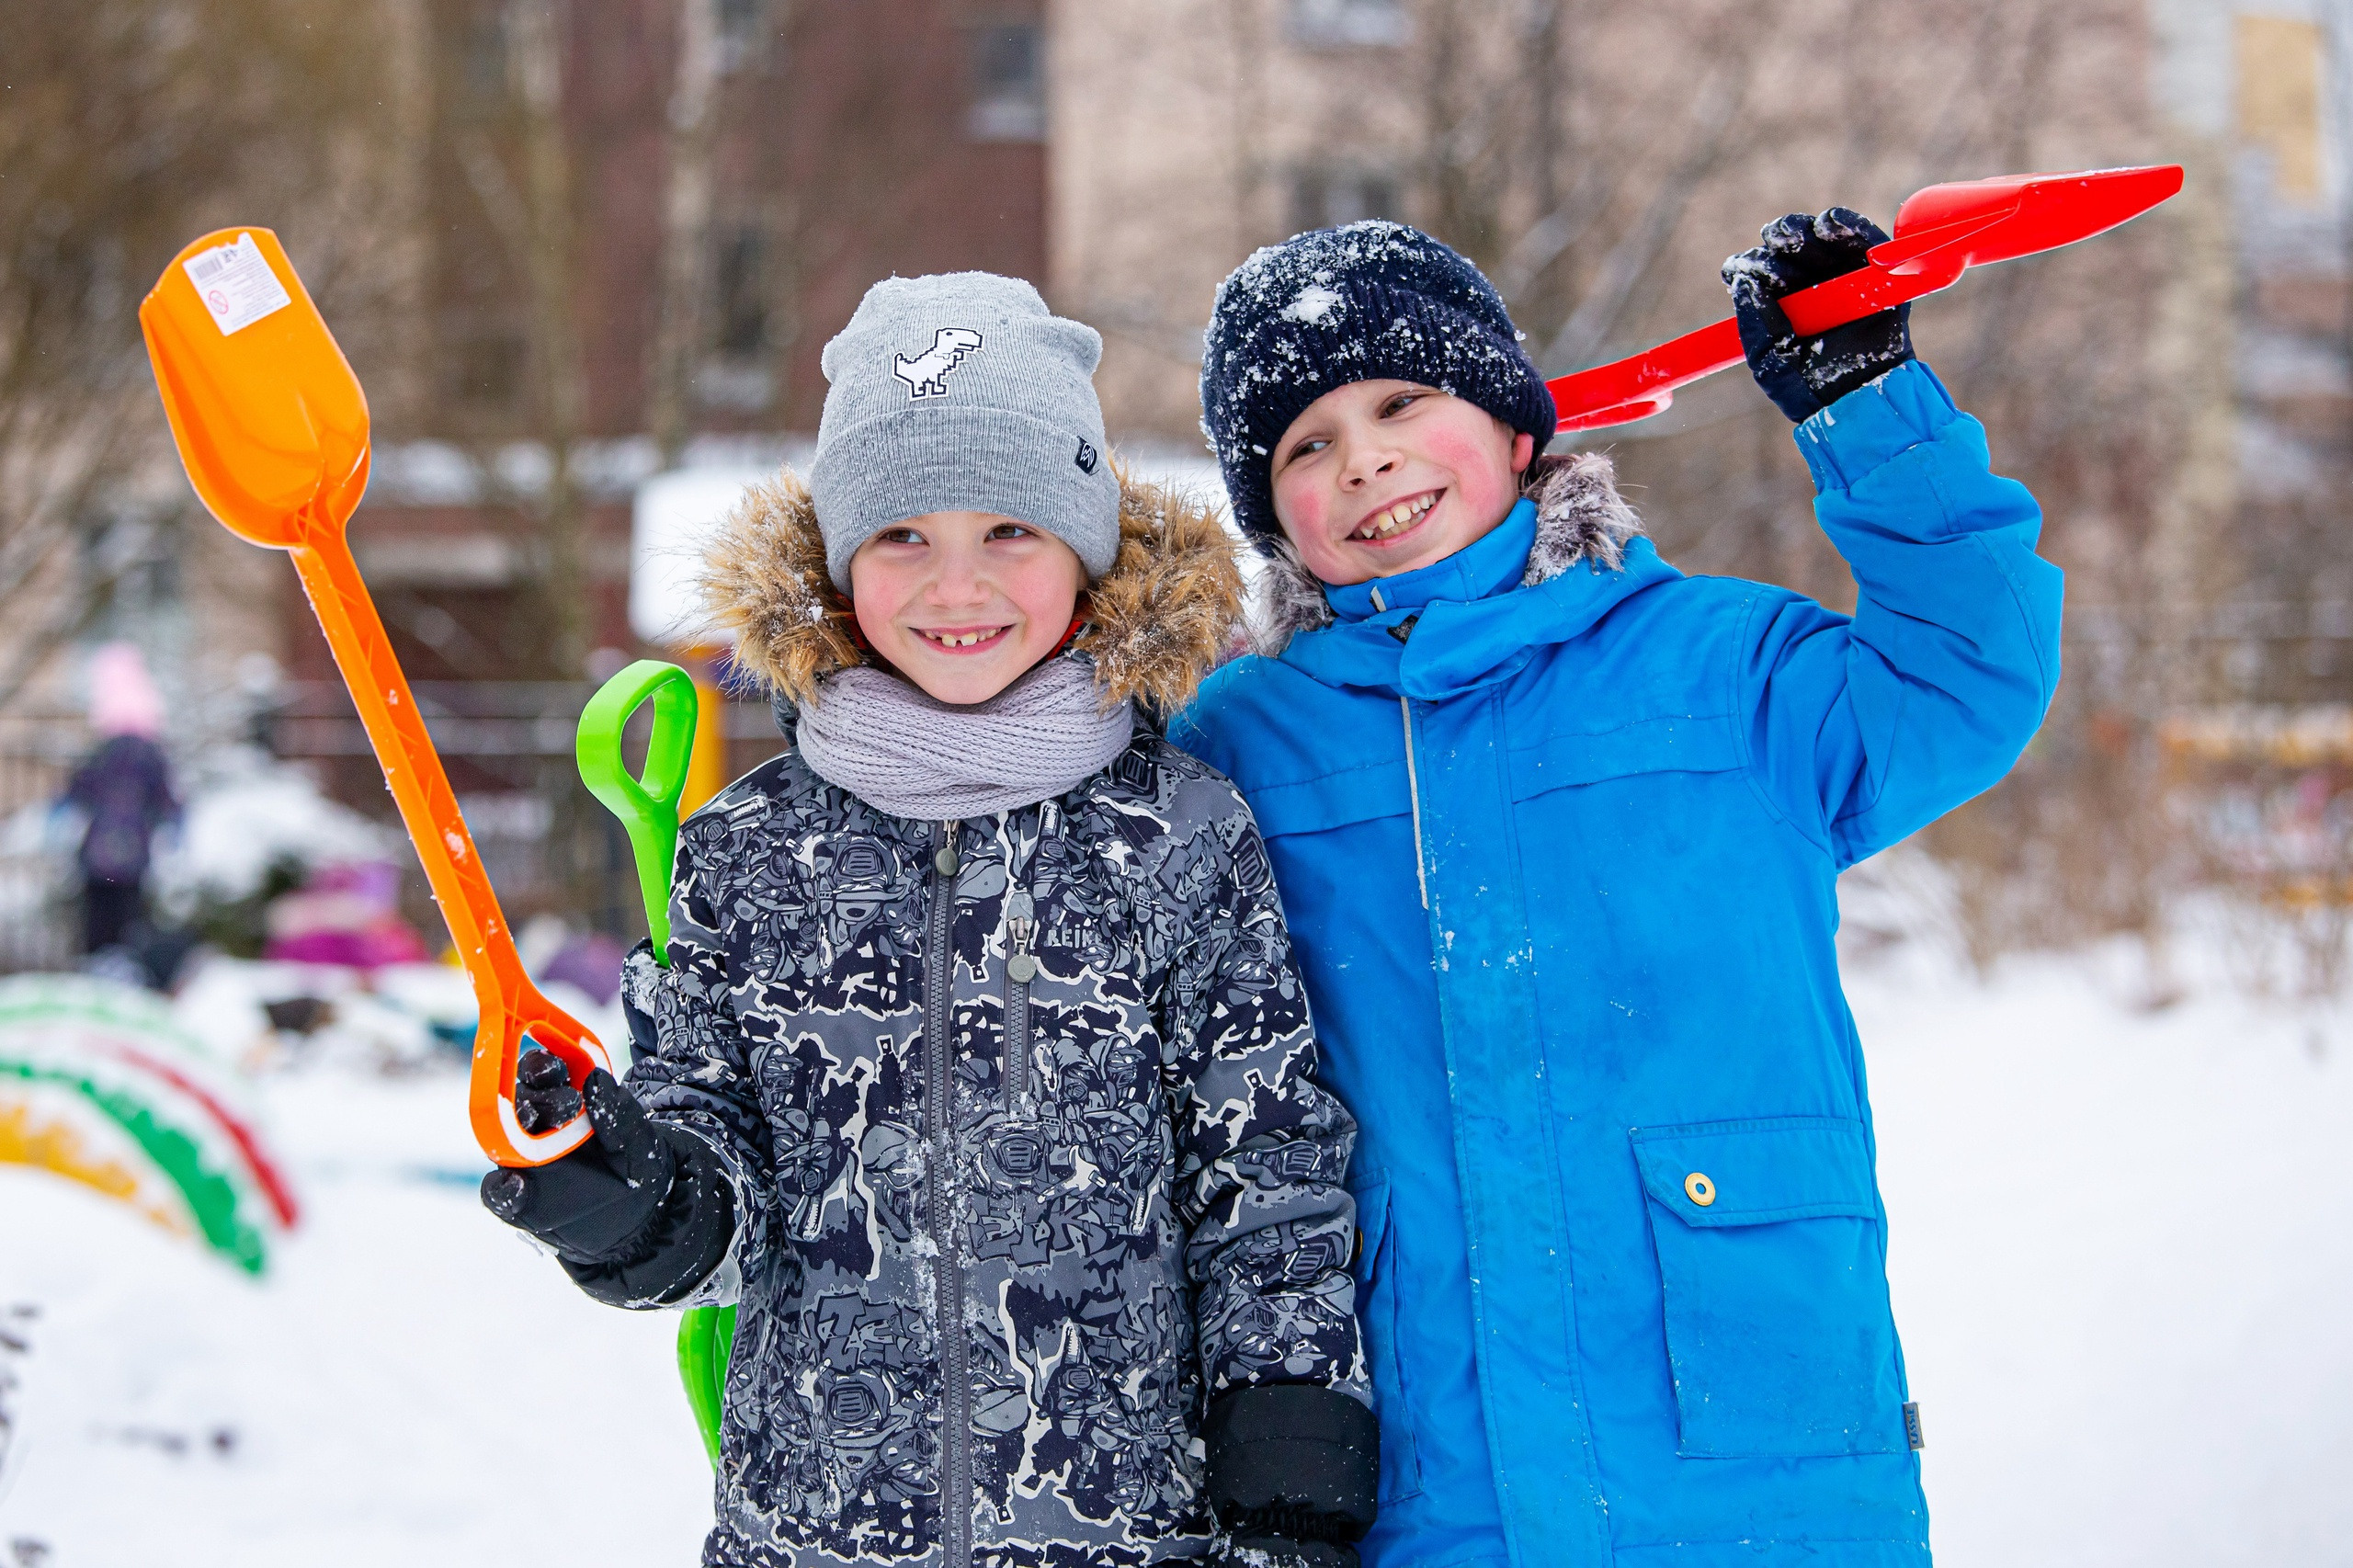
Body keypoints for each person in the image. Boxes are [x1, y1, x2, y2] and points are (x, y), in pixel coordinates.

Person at [1169, 213, 2063, 1566]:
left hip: (1757, 1452)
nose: (1367, 457)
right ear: (1273, 515)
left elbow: (1967, 671)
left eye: (1405, 400)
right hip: (1435, 1475)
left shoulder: (1725, 668)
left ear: (1519, 432)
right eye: (1307, 445)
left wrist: (1865, 399)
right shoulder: (1244, 741)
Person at [482, 274, 1377, 1568]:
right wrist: (637, 1206)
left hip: (1134, 1539)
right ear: (840, 564)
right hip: (816, 1536)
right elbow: (714, 1169)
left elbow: (1268, 1179)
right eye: (903, 534)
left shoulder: (1182, 833)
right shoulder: (746, 851)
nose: (958, 585)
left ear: (1086, 545)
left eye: (1011, 527)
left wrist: (1289, 1495)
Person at [64, 642, 178, 957]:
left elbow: (78, 793)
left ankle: (100, 963)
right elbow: (166, 800)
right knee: (129, 916)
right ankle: (124, 963)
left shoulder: (102, 752)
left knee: (99, 918)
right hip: (134, 851)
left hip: (98, 852)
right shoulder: (151, 755)